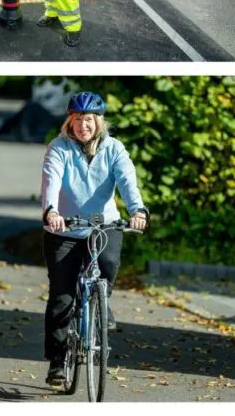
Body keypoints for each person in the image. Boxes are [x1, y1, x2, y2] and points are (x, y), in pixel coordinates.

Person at [40, 92, 148, 385]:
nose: (83, 125)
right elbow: (51, 180)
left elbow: (127, 181)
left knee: (109, 261)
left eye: (88, 119)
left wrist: (137, 209)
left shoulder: (114, 149)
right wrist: (51, 210)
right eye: (77, 120)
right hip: (64, 228)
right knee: (62, 297)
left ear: (98, 121)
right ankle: (57, 362)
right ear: (69, 121)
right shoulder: (58, 148)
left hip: (103, 226)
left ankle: (103, 300)